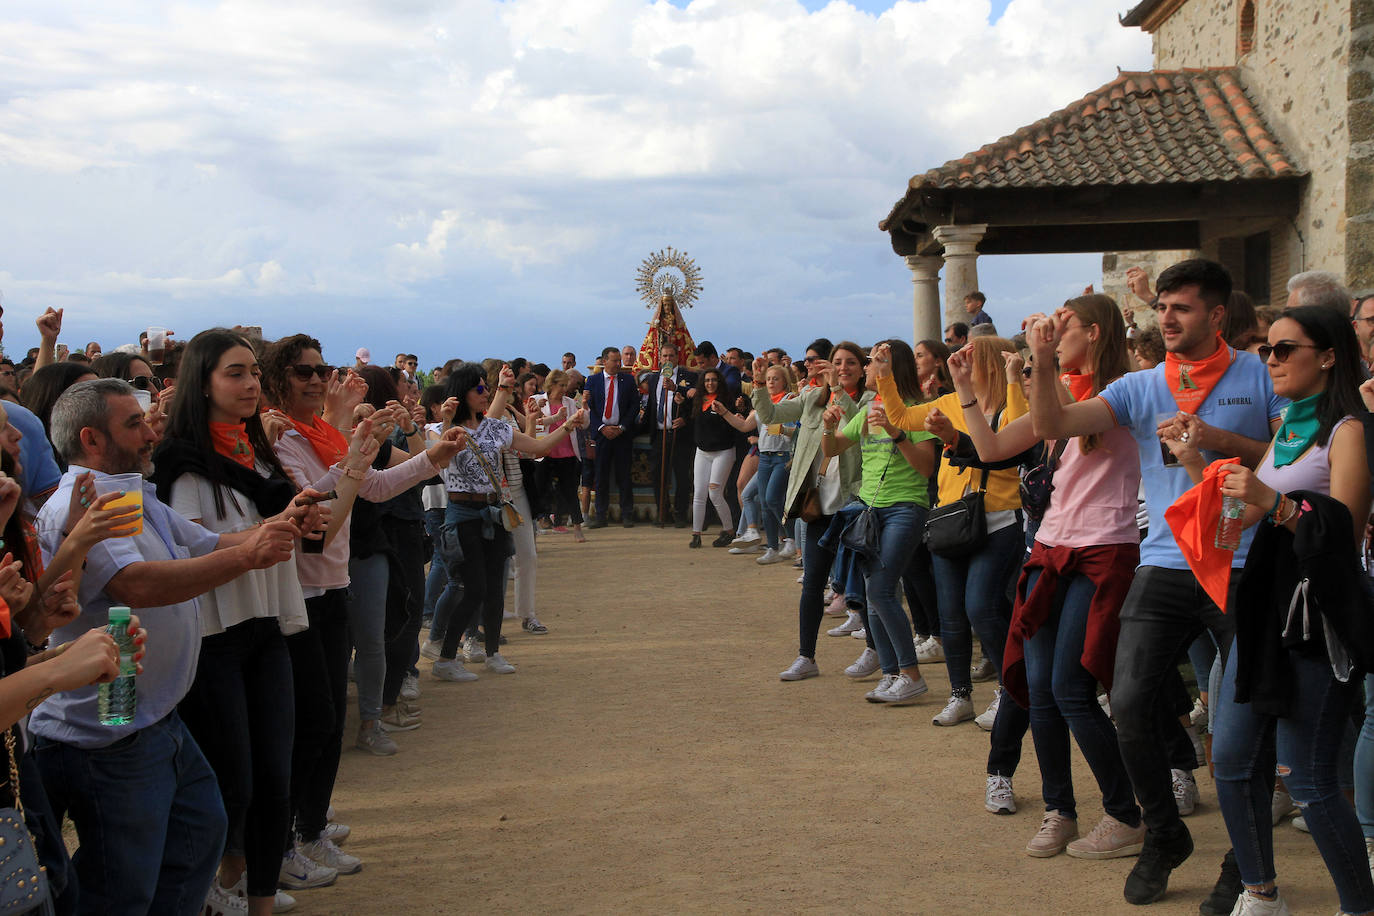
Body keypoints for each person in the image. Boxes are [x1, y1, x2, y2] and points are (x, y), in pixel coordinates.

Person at [1023, 259, 1284, 906]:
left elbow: (1293, 456)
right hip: (1166, 564)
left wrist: (1217, 439)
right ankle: (1165, 835)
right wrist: (1044, 362)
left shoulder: (1259, 372)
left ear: (1217, 315)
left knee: (1243, 726)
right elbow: (1054, 426)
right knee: (1132, 704)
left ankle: (1243, 863)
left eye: (1183, 308)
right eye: (1162, 307)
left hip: (1245, 562)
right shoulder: (1142, 386)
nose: (1167, 318)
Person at [33, 377, 309, 915]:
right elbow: (135, 585)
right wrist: (247, 556)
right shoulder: (83, 502)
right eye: (133, 424)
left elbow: (202, 544)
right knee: (123, 886)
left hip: (153, 720)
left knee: (198, 838)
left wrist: (272, 529)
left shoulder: (128, 490)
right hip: (107, 733)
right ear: (91, 439)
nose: (150, 432)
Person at [260, 334, 464, 878]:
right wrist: (355, 459)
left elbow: (370, 487)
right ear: (276, 380)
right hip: (298, 588)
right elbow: (319, 510)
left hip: (330, 582)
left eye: (319, 369)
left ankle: (310, 826)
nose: (316, 378)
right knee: (309, 723)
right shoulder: (279, 439)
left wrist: (431, 459)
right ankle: (286, 842)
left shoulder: (319, 432)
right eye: (302, 371)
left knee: (325, 719)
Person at [955, 295, 1147, 860]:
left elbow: (1058, 416)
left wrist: (1039, 363)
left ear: (1094, 331)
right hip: (1050, 548)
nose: (1052, 330)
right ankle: (1061, 810)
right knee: (1039, 689)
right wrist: (966, 389)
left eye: (1064, 324)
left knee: (1070, 687)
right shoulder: (1057, 389)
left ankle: (1124, 813)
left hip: (1103, 551)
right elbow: (990, 447)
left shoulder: (1124, 392)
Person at [151, 328, 330, 914]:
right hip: (214, 632)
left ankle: (259, 901)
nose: (251, 383)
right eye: (235, 373)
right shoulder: (180, 461)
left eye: (254, 372)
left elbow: (277, 521)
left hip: (265, 623)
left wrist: (296, 517)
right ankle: (210, 887)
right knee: (235, 780)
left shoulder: (254, 451)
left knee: (275, 776)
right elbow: (190, 546)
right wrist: (260, 535)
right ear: (201, 384)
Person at [1207, 305, 1374, 915]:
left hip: (1316, 616)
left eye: (1284, 350)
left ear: (1328, 355)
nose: (1270, 360)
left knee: (1308, 780)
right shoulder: (1288, 426)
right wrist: (1210, 473)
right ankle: (1260, 893)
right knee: (1229, 758)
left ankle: (1359, 905)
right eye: (1267, 351)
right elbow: (1245, 519)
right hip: (1265, 607)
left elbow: (1346, 534)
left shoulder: (1348, 429)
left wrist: (1271, 503)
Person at [876, 337, 1030, 812]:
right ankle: (960, 693)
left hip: (1000, 518)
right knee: (950, 615)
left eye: (969, 358)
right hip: (950, 519)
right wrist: (883, 374)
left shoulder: (1009, 400)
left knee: (982, 605)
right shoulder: (944, 402)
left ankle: (1009, 689)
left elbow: (1025, 436)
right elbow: (902, 419)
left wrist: (1012, 377)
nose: (959, 363)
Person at [425, 364, 585, 680]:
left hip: (495, 512)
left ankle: (492, 652)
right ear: (463, 394)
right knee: (473, 588)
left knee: (494, 587)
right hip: (462, 512)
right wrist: (445, 420)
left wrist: (568, 425)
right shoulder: (442, 429)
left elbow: (536, 447)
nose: (485, 394)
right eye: (479, 389)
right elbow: (437, 461)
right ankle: (445, 658)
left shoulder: (495, 427)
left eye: (487, 387)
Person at [820, 340, 938, 704]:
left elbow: (925, 467)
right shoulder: (870, 406)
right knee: (874, 596)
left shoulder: (917, 409)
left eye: (873, 363)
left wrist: (894, 431)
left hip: (906, 506)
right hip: (870, 509)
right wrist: (827, 426)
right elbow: (833, 449)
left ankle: (911, 675)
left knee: (883, 590)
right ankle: (890, 673)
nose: (867, 369)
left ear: (890, 367)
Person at [766, 340, 871, 681]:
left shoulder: (869, 400)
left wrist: (839, 393)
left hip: (856, 503)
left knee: (868, 584)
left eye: (849, 363)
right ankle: (806, 656)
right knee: (812, 583)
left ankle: (875, 650)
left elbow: (859, 431)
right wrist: (758, 386)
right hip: (819, 504)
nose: (842, 368)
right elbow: (772, 415)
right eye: (836, 363)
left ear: (862, 366)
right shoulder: (812, 398)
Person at [717, 364, 795, 563]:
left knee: (772, 499)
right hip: (765, 457)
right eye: (768, 378)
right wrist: (725, 412)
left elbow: (795, 432)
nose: (770, 382)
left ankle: (791, 537)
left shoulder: (790, 401)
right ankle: (772, 548)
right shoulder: (762, 402)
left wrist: (783, 430)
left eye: (775, 378)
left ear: (785, 381)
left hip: (783, 456)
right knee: (765, 503)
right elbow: (744, 425)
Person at [584, 346, 639, 528]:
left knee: (624, 475)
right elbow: (588, 408)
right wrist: (601, 428)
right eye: (615, 360)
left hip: (622, 434)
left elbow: (634, 407)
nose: (618, 364)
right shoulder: (592, 381)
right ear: (605, 361)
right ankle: (601, 515)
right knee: (601, 476)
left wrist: (622, 427)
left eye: (619, 361)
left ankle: (627, 514)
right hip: (601, 435)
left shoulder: (628, 381)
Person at [531, 369, 587, 550]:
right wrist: (554, 417)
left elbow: (584, 422)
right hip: (544, 451)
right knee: (539, 489)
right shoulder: (536, 400)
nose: (564, 389)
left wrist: (582, 413)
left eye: (566, 385)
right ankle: (536, 526)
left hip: (567, 451)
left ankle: (577, 527)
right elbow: (536, 424)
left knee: (570, 491)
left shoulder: (570, 402)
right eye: (561, 385)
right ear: (551, 384)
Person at [688, 368, 742, 548]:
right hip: (702, 452)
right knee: (699, 493)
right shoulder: (698, 400)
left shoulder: (726, 400)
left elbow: (737, 419)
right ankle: (696, 534)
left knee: (715, 492)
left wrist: (732, 412)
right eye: (707, 380)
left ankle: (729, 530)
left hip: (723, 451)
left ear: (719, 382)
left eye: (714, 380)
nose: (710, 383)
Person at [647, 343, 696, 529]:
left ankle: (680, 513)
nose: (667, 359)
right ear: (660, 358)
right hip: (659, 434)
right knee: (658, 475)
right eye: (664, 356)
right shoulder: (653, 379)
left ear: (677, 357)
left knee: (682, 476)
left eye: (671, 356)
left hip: (680, 434)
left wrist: (684, 418)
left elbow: (695, 403)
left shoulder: (689, 377)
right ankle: (662, 512)